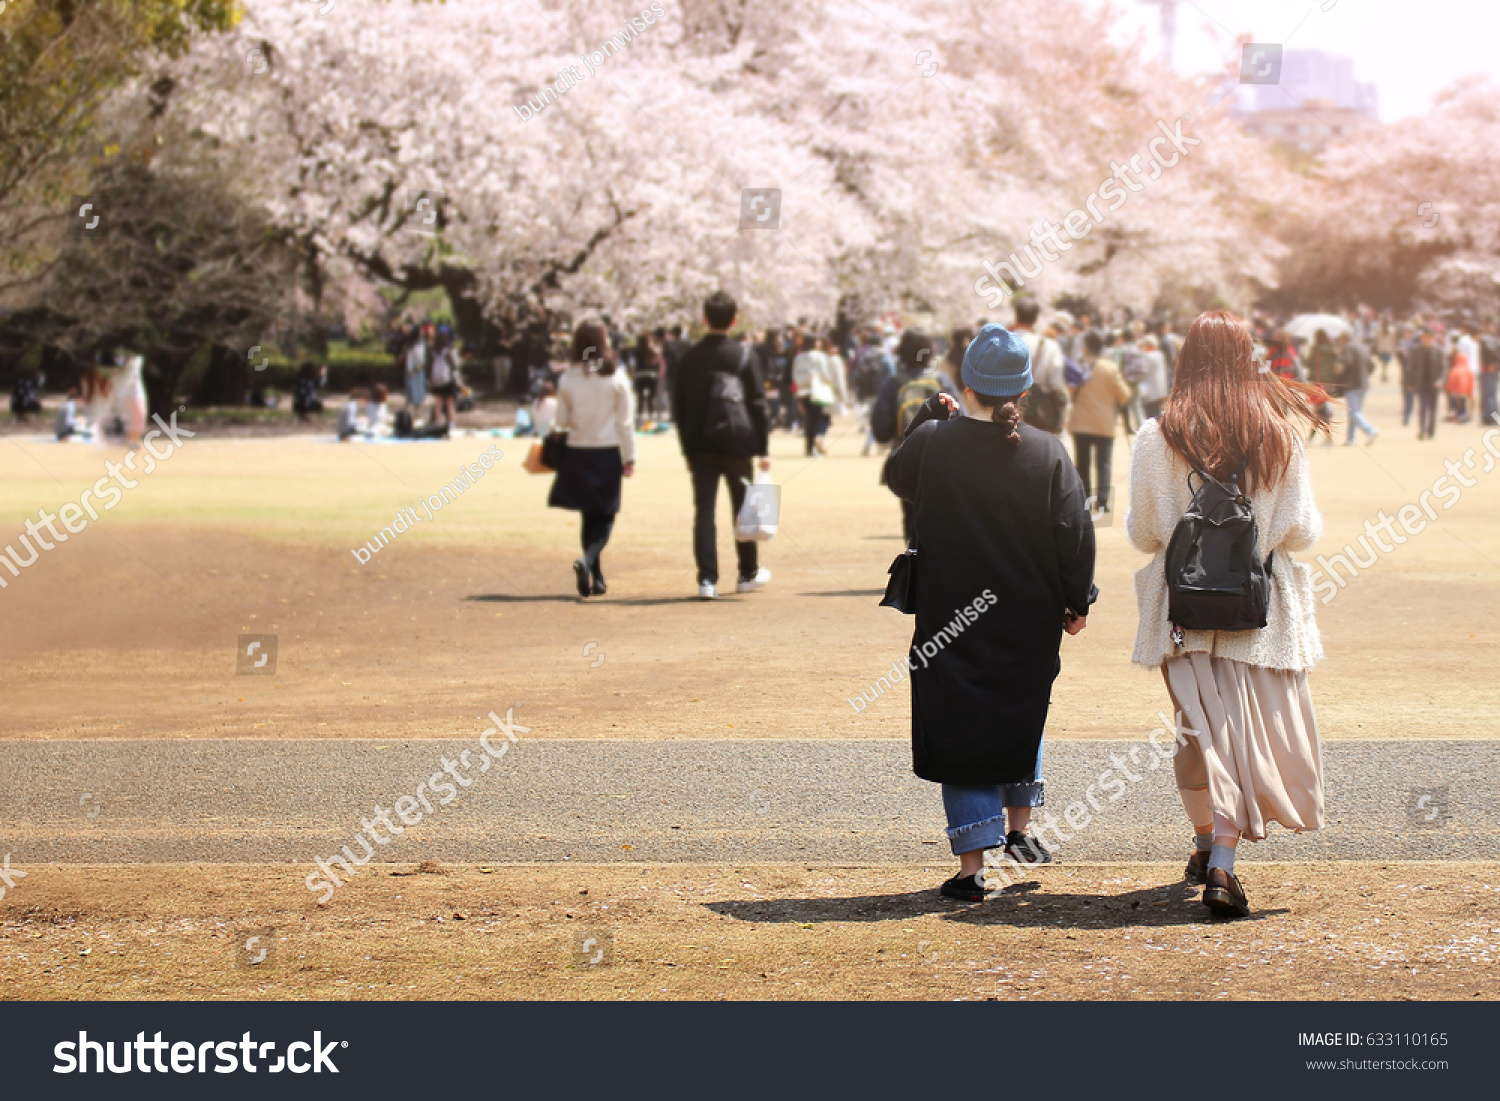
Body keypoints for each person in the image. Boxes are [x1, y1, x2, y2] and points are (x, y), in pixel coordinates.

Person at [884, 323, 1097, 901]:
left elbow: (897, 476)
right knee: (1021, 707)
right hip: (1028, 616)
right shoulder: (1048, 451)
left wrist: (927, 414)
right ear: (1023, 393)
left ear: (967, 386)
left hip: (951, 614)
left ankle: (972, 867)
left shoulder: (934, 442)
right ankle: (1021, 831)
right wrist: (1077, 602)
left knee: (960, 724)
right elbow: (1075, 535)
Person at [1127, 310, 1329, 920]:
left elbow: (1143, 534)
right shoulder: (1279, 435)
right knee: (1242, 738)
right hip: (1259, 611)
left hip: (1181, 612)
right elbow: (1302, 532)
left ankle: (1205, 843)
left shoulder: (1155, 434)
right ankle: (1222, 863)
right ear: (1248, 360)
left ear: (1185, 360)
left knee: (1198, 731)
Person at [672, 290, 772, 600]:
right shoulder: (743, 355)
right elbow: (757, 403)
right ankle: (747, 572)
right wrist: (763, 447)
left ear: (704, 319)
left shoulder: (689, 357)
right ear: (734, 320)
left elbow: (680, 408)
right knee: (743, 509)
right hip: (738, 443)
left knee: (704, 511)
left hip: (700, 445)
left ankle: (707, 580)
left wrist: (687, 450)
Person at [548, 320, 636, 598]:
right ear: (603, 342)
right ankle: (587, 563)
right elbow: (625, 423)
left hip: (577, 451)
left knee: (589, 515)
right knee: (606, 515)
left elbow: (561, 420)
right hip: (607, 451)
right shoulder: (616, 377)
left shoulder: (567, 379)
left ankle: (597, 577)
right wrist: (630, 456)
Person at [1068, 330, 1132, 511]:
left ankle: (1085, 499)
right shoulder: (1109, 367)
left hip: (1081, 422)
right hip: (1104, 424)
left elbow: (1070, 391)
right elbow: (1124, 394)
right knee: (1104, 463)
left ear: (1085, 347)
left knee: (1083, 462)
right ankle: (1102, 502)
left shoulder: (1078, 366)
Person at [1011, 299, 1069, 437]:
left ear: (1016, 316)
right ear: (1036, 319)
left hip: (1004, 412)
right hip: (1037, 415)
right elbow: (1057, 385)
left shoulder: (1001, 343)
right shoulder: (1047, 345)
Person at [792, 333, 845, 456]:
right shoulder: (819, 356)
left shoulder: (799, 357)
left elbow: (795, 375)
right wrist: (829, 382)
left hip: (803, 391)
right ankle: (813, 447)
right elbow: (824, 374)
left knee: (808, 419)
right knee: (815, 419)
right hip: (816, 391)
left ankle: (808, 447)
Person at [1336, 330, 1378, 445]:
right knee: (1355, 412)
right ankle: (1350, 438)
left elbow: (1347, 363)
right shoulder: (1364, 347)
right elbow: (1372, 365)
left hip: (1351, 384)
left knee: (1354, 412)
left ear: (1344, 339)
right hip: (1363, 384)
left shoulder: (1347, 348)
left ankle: (1369, 430)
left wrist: (1339, 362)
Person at [1408, 329, 1445, 440]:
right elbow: (1411, 367)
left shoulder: (1438, 350)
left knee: (1433, 408)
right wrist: (1411, 382)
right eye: (1425, 337)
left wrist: (1440, 380)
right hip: (1421, 383)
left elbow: (1443, 367)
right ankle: (1422, 431)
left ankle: (1431, 431)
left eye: (1429, 337)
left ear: (1433, 338)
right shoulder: (1416, 351)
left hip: (1434, 383)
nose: (1427, 339)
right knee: (1422, 407)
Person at [1305, 330, 1340, 445]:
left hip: (1317, 382)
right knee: (1321, 411)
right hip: (1329, 383)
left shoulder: (1315, 349)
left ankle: (1322, 438)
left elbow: (1308, 363)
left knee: (1320, 413)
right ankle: (1318, 438)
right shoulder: (1331, 349)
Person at [428, 334, 460, 426]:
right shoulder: (448, 351)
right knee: (449, 403)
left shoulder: (432, 352)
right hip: (447, 380)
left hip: (436, 380)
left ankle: (438, 422)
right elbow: (455, 366)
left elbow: (429, 366)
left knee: (438, 403)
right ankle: (451, 423)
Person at [633, 331, 663, 425]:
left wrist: (633, 375)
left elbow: (632, 364)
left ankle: (639, 419)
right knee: (650, 398)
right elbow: (659, 362)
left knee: (640, 398)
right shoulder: (653, 351)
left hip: (640, 375)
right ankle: (650, 418)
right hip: (651, 376)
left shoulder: (635, 351)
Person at [404, 328, 428, 417]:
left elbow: (423, 356)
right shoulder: (411, 344)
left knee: (419, 391)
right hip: (412, 369)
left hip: (420, 368)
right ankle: (406, 411)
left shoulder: (422, 343)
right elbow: (409, 357)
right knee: (411, 390)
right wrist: (409, 369)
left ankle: (416, 412)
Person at [1480, 323, 1500, 427]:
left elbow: (1486, 354)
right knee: (1492, 394)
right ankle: (1494, 417)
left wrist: (1489, 364)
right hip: (1494, 369)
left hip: (1488, 369)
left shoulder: (1485, 340)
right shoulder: (1496, 340)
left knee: (1488, 394)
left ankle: (1489, 418)